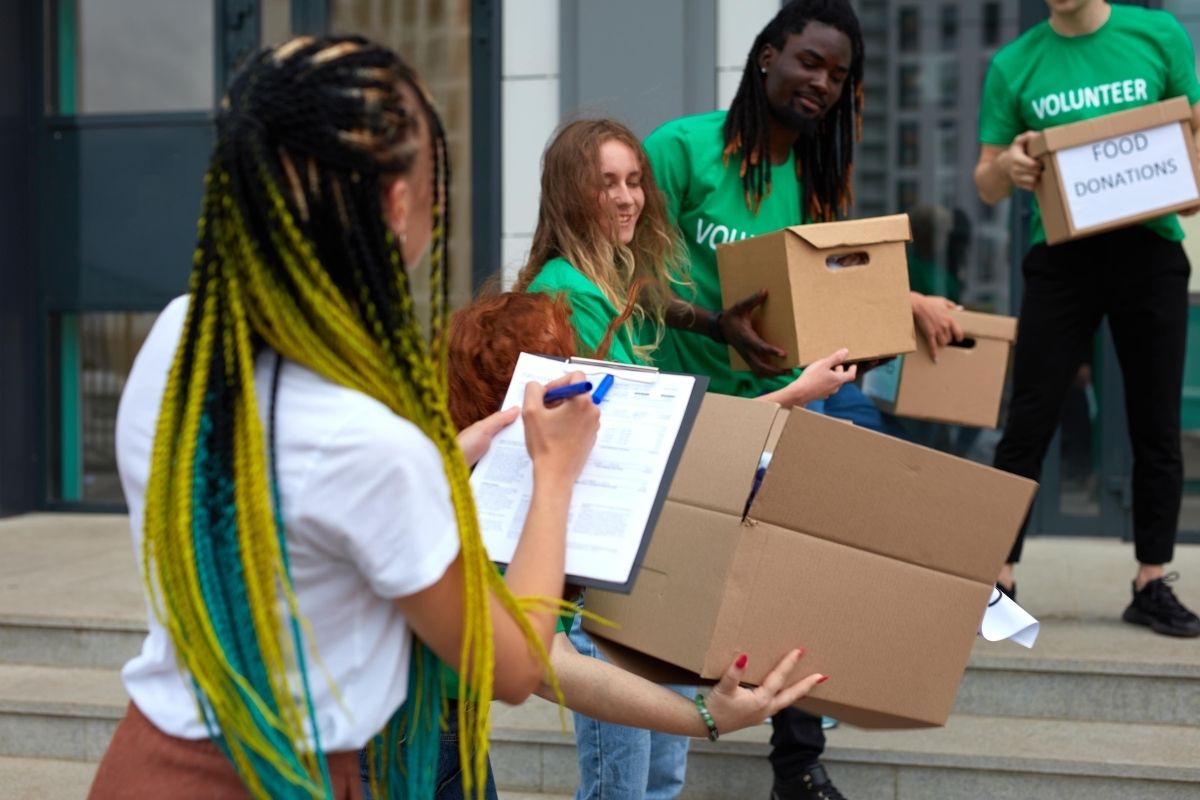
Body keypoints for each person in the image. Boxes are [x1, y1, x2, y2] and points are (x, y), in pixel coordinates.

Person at [88, 36, 604, 800]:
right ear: (398, 204)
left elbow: (291, 518)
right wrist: (555, 473)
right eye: (435, 177)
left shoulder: (182, 334)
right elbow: (516, 666)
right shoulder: (365, 443)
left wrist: (430, 473)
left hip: (143, 762)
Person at [639, 1, 971, 796]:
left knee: (796, 570)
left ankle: (797, 764)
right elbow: (626, 278)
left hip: (785, 402)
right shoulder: (680, 150)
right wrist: (713, 325)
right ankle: (656, 749)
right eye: (810, 62)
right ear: (766, 57)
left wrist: (910, 303)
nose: (821, 83)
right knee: (678, 583)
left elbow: (830, 288)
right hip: (688, 406)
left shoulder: (815, 183)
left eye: (838, 75)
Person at [512, 119, 854, 800]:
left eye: (635, 180)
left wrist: (714, 321)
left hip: (648, 568)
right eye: (605, 182)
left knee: (661, 778)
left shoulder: (618, 280)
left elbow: (660, 309)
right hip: (597, 581)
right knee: (623, 787)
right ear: (568, 194)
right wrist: (792, 395)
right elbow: (649, 439)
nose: (627, 197)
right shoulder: (569, 293)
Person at [435, 291, 830, 799]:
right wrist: (703, 717)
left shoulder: (455, 470)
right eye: (559, 388)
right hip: (402, 740)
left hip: (445, 729)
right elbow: (539, 667)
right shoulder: (484, 494)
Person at [974, 0, 1200, 637]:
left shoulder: (1157, 34)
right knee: (1031, 414)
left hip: (1150, 249)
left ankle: (1151, 581)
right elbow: (986, 180)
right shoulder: (1015, 63)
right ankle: (997, 578)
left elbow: (1194, 135)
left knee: (1156, 419)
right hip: (1061, 256)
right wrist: (1007, 167)